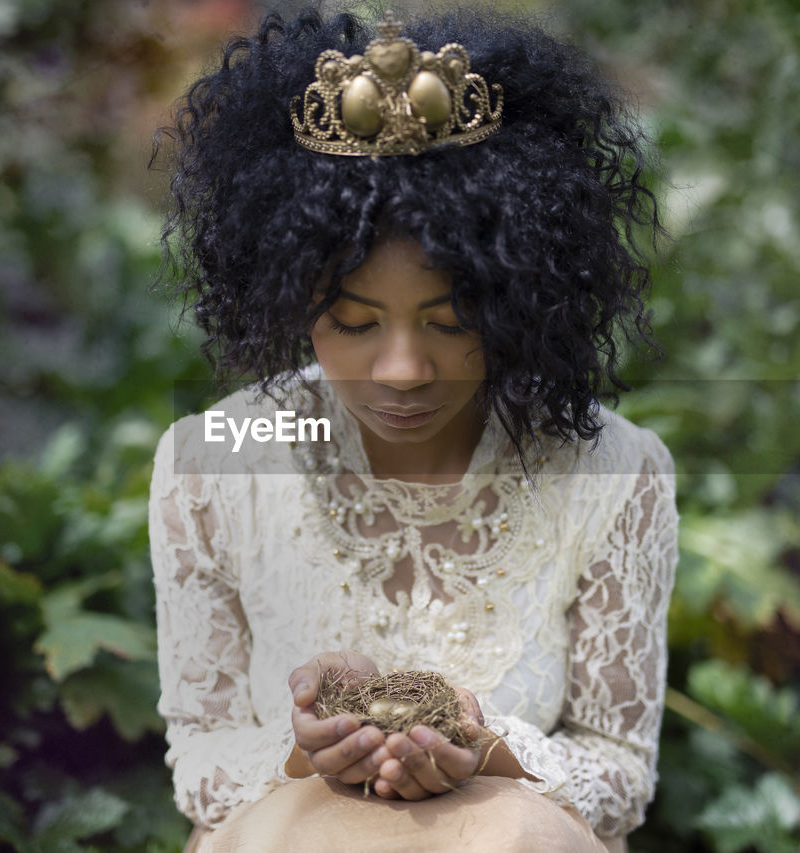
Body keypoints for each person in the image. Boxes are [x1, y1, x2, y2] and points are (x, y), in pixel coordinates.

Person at [149, 7, 678, 851]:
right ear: (288, 301)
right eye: (355, 324)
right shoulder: (214, 463)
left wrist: (487, 747)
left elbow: (618, 769)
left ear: (517, 300)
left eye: (450, 319)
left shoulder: (612, 469)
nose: (402, 368)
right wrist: (306, 746)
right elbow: (200, 760)